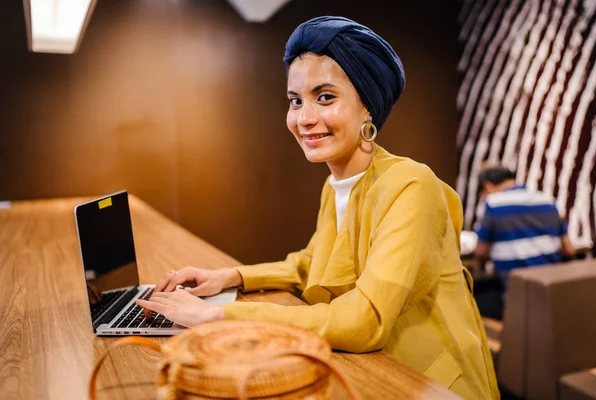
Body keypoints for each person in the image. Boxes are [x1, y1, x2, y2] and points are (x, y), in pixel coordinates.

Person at [137, 16, 499, 400]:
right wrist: (228, 278)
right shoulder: (336, 185)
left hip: (425, 383)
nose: (304, 118)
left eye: (324, 97)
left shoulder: (411, 185)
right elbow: (309, 264)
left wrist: (218, 315)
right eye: (296, 101)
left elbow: (365, 320)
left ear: (367, 108)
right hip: (364, 370)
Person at [474, 165, 576, 289]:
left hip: (515, 289)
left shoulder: (494, 203)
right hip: (550, 286)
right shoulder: (547, 200)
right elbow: (569, 249)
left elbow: (480, 251)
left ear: (488, 186)